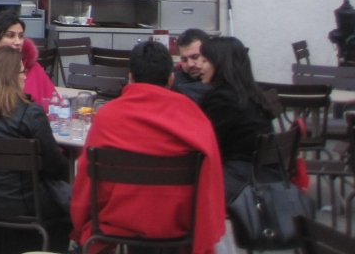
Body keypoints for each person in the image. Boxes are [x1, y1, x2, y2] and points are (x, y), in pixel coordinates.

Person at [70, 41, 225, 254]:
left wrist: (80, 225)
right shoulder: (193, 115)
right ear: (171, 79)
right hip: (178, 221)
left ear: (131, 77)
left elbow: (86, 178)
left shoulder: (108, 115)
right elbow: (212, 173)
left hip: (120, 220)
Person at [0, 45, 71, 253]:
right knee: (70, 200)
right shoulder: (30, 113)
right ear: (9, 77)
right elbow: (54, 165)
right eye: (22, 71)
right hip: (27, 204)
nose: (25, 76)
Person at [198, 36, 279, 201]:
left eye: (205, 61)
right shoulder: (249, 93)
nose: (200, 66)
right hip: (260, 175)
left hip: (238, 180)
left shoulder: (223, 99)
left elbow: (205, 143)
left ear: (220, 64)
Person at [173, 28, 211, 103]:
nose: (190, 64)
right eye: (184, 59)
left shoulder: (226, 79)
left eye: (195, 57)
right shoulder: (172, 82)